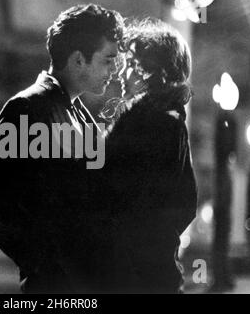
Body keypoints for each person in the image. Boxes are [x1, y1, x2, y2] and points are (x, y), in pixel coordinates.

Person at [0, 4, 123, 293]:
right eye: (108, 60)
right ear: (79, 59)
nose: (114, 70)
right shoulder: (28, 108)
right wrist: (41, 260)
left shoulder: (83, 116)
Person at [98, 18, 198, 293]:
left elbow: (123, 196)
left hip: (135, 274)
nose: (121, 73)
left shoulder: (154, 125)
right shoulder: (166, 121)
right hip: (150, 270)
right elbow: (186, 203)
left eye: (131, 64)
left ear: (156, 73)